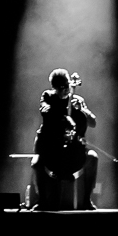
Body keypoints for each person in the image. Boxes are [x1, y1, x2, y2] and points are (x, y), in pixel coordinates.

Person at [31, 68, 98, 210]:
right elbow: (45, 110)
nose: (64, 90)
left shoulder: (77, 100)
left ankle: (87, 200)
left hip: (74, 154)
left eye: (66, 86)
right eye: (60, 88)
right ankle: (42, 200)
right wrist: (64, 118)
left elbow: (93, 123)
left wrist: (82, 110)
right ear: (54, 87)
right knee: (36, 162)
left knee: (93, 157)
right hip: (52, 152)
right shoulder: (48, 96)